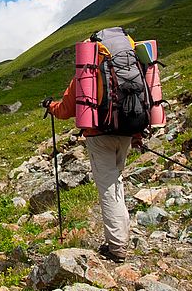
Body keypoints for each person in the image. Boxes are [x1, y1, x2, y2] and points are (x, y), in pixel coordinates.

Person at [42, 65, 142, 263]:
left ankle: (117, 247)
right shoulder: (127, 68)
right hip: (126, 132)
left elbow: (66, 109)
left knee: (108, 187)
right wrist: (137, 135)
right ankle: (122, 237)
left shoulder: (87, 71)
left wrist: (50, 106)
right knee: (116, 181)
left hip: (99, 136)